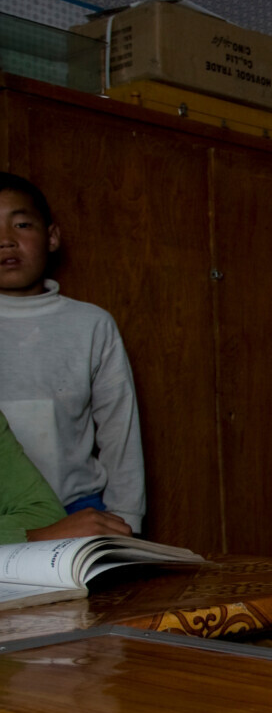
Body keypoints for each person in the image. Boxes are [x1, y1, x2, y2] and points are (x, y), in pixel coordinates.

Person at [0, 172, 143, 535]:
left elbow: (119, 429)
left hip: (80, 509)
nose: (5, 241)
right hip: (8, 519)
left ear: (51, 237)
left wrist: (128, 517)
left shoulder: (90, 323)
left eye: (21, 224)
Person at [0, 410, 132, 543]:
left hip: (81, 499)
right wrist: (35, 536)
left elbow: (46, 515)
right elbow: (46, 530)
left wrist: (127, 513)